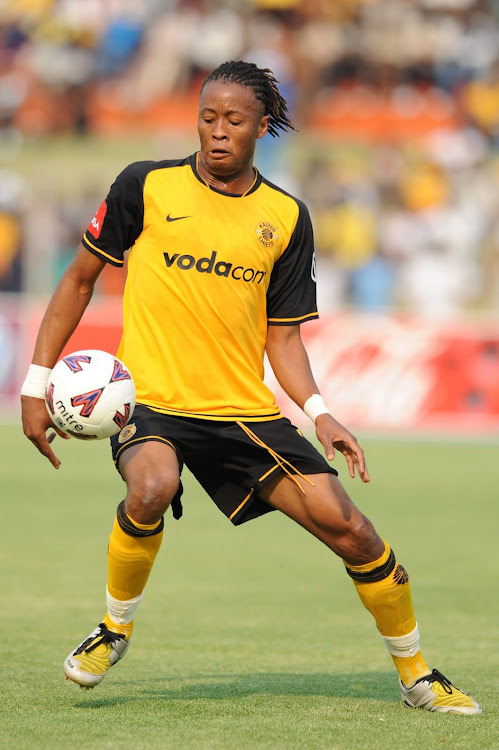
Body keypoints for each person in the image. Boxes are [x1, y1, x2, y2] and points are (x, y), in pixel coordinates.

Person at [21, 61, 480, 714]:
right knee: (152, 486)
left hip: (242, 411)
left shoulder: (286, 218)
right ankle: (113, 628)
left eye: (233, 121)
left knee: (351, 530)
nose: (217, 132)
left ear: (262, 128)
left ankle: (415, 674)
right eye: (207, 117)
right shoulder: (143, 186)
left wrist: (320, 413)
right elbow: (77, 280)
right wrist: (35, 386)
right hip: (151, 401)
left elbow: (284, 339)